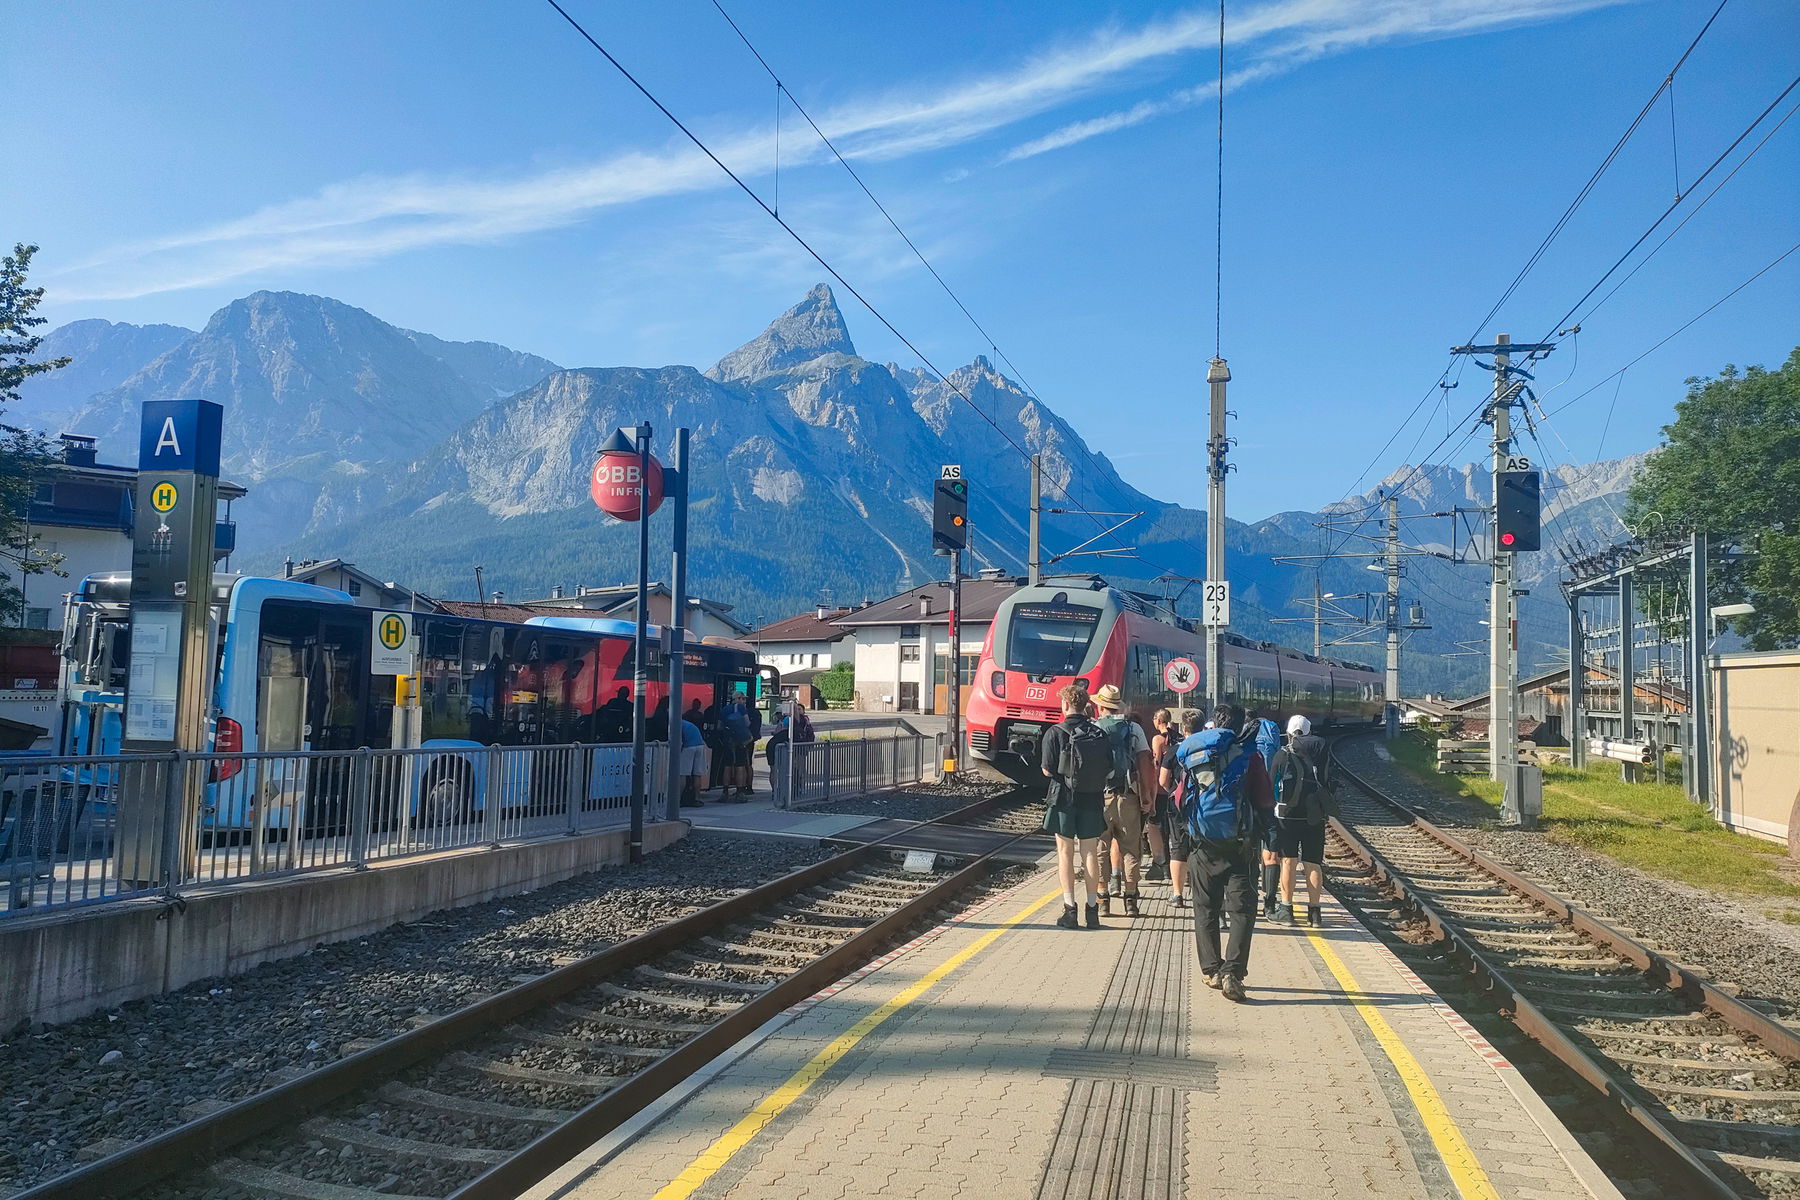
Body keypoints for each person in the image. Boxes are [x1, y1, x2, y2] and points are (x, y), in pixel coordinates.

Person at [1173, 702, 1274, 1002]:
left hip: (1202, 844)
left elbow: (1180, 798)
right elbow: (1265, 800)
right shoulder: (1249, 755)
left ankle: (1211, 971)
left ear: (1215, 723)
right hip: (1240, 846)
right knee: (1242, 910)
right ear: (1241, 725)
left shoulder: (1194, 754)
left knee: (1205, 908)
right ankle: (1233, 971)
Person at [1039, 683, 1110, 930]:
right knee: (1090, 852)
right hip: (1092, 798)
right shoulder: (1099, 733)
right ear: (1085, 705)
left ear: (1065, 705)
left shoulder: (1055, 732)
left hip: (1062, 799)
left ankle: (1070, 910)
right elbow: (1109, 768)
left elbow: (1048, 770)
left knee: (1065, 853)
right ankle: (1093, 911)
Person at [1091, 685, 1154, 917]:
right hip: (1128, 795)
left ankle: (1103, 899)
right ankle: (1130, 901)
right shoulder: (1134, 728)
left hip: (1101, 798)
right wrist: (1147, 795)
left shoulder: (1094, 728)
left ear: (1100, 706)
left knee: (1100, 849)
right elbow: (1144, 762)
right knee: (1131, 849)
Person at [1271, 714, 1334, 927]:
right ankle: (1315, 914)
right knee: (1313, 863)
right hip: (1314, 815)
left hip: (1287, 816)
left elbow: (1271, 784)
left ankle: (1286, 910)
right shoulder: (1320, 753)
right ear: (1309, 733)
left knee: (1288, 861)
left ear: (1289, 733)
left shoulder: (1282, 754)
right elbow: (1327, 781)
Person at [1151, 709, 1192, 908]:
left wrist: (1173, 791)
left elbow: (1162, 778)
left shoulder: (1171, 747)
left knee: (1177, 846)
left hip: (1175, 803)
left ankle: (1177, 894)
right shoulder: (1209, 748)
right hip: (1201, 806)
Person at [719, 692, 755, 801]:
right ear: (737, 699)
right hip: (740, 741)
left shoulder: (724, 709)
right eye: (743, 699)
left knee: (727, 766)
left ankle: (725, 792)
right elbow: (747, 723)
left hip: (728, 740)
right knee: (740, 766)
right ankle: (740, 792)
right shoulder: (741, 708)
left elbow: (719, 726)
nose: (744, 701)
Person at [678, 710, 708, 807]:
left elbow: (680, 741)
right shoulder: (689, 724)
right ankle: (697, 798)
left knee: (683, 773)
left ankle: (677, 799)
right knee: (697, 774)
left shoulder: (677, 724)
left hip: (689, 747)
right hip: (700, 745)